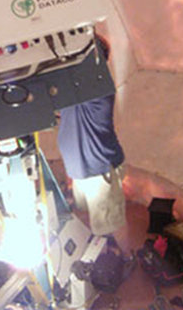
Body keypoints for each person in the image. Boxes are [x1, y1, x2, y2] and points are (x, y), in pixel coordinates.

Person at [57, 42, 128, 252]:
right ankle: (101, 248)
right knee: (91, 214)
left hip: (99, 169)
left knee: (113, 221)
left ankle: (126, 257)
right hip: (80, 168)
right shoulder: (71, 87)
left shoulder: (99, 88)